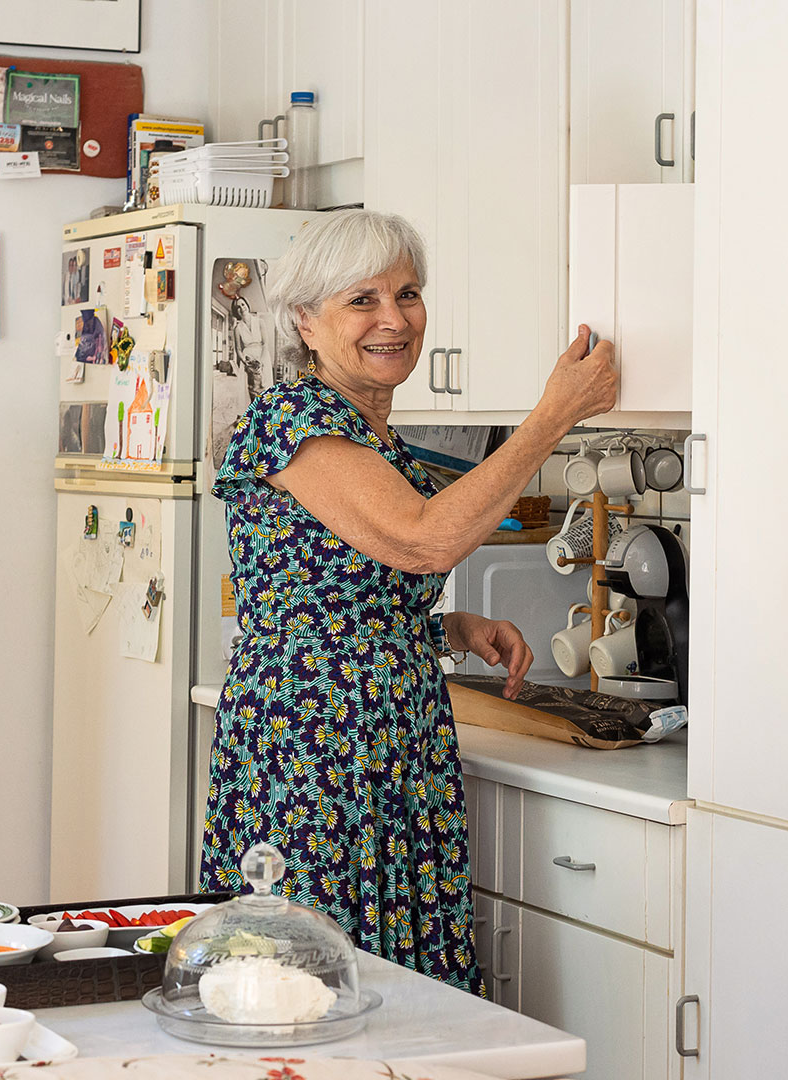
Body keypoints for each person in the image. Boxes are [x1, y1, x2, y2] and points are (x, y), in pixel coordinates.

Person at [201, 210, 617, 993]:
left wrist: (446, 626)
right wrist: (555, 414)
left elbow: (338, 585)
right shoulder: (296, 419)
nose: (393, 319)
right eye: (362, 300)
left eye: (408, 294)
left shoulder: (372, 435)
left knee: (386, 978)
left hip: (389, 736)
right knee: (310, 981)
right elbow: (424, 540)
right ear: (306, 322)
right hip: (317, 748)